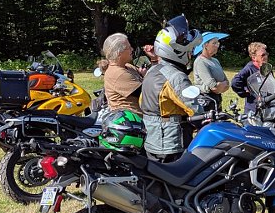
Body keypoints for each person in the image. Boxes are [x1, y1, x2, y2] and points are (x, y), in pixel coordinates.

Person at [139, 15, 206, 162]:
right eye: (189, 51)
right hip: (172, 145)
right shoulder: (175, 77)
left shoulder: (152, 70)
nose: (190, 55)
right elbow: (196, 110)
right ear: (177, 51)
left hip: (152, 141)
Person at [97, 33, 150, 114]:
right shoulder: (118, 74)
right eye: (128, 48)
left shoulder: (127, 66)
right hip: (133, 122)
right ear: (119, 52)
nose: (132, 49)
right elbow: (148, 94)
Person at [191, 32, 230, 109]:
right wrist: (219, 86)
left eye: (217, 43)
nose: (217, 46)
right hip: (206, 102)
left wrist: (220, 86)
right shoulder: (200, 62)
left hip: (217, 100)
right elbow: (212, 86)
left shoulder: (215, 61)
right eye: (214, 43)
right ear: (205, 45)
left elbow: (227, 83)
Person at [231, 42, 269, 114]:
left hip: (266, 106)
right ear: (254, 57)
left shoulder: (266, 67)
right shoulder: (249, 69)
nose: (266, 57)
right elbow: (235, 82)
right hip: (253, 109)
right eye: (263, 55)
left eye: (266, 54)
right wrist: (244, 93)